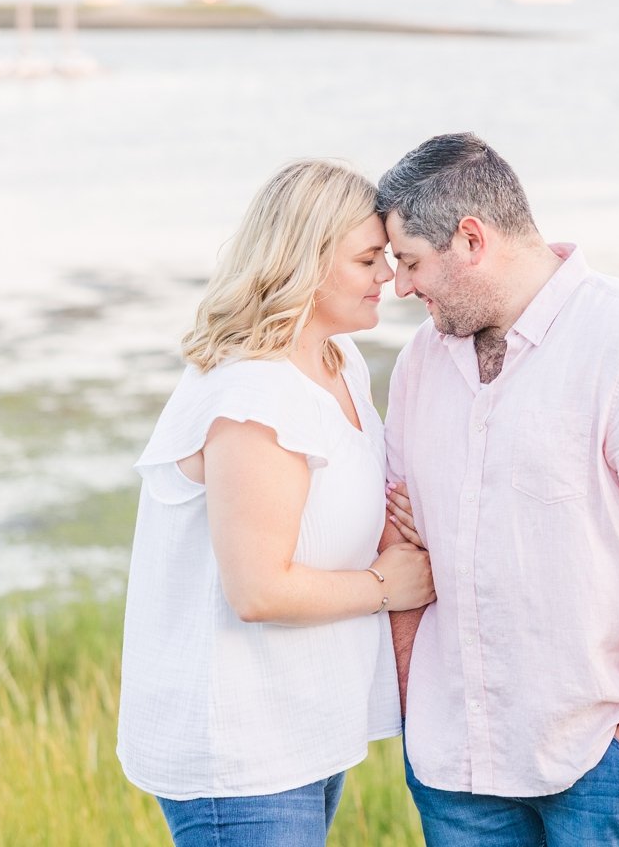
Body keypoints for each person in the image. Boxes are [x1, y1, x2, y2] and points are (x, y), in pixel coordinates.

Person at [376, 133, 619, 846]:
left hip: (600, 757)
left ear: (470, 240)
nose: (401, 286)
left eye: (411, 262)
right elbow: (401, 529)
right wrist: (417, 701)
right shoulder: (422, 359)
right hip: (455, 766)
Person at [117, 159, 436, 847]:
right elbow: (258, 591)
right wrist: (386, 586)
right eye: (368, 258)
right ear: (305, 263)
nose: (388, 274)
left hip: (302, 719)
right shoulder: (253, 396)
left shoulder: (337, 360)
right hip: (240, 745)